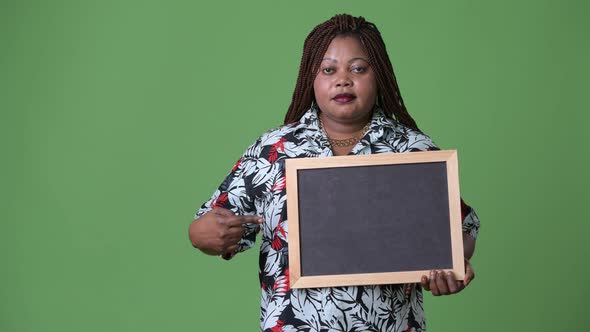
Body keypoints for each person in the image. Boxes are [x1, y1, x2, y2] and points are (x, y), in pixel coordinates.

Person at [189, 14, 480, 332]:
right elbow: (213, 226)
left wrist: (450, 267)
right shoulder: (274, 150)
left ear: (379, 74)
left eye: (358, 68)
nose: (343, 79)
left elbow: (461, 231)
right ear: (310, 78)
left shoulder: (412, 150)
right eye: (329, 69)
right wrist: (202, 234)